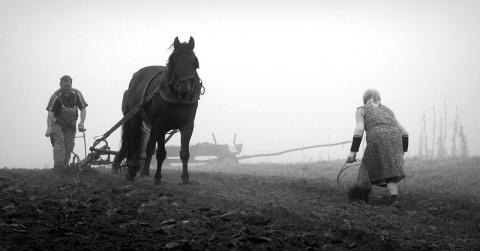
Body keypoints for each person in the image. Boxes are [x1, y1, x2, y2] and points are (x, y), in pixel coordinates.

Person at [347, 89, 408, 206]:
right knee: (391, 170)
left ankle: (362, 199)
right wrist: (402, 152)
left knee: (365, 169)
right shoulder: (389, 111)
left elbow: (359, 129)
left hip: (377, 137)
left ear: (365, 100)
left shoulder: (361, 109)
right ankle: (394, 199)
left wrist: (353, 151)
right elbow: (404, 133)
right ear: (379, 99)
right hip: (395, 138)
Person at [45, 75, 88, 173]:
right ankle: (58, 167)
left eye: (68, 86)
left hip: (71, 125)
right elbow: (50, 114)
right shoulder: (55, 96)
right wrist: (49, 128)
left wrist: (81, 122)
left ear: (71, 85)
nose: (66, 88)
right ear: (60, 85)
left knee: (69, 146)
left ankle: (65, 168)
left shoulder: (77, 94)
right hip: (58, 124)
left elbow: (83, 109)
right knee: (60, 143)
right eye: (64, 86)